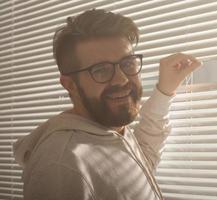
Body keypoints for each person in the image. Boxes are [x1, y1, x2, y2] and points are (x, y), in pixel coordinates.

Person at [13, 9, 202, 200]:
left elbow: (140, 163)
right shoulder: (61, 165)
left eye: (127, 63)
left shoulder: (109, 128)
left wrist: (164, 91)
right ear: (71, 85)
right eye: (101, 70)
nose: (121, 80)